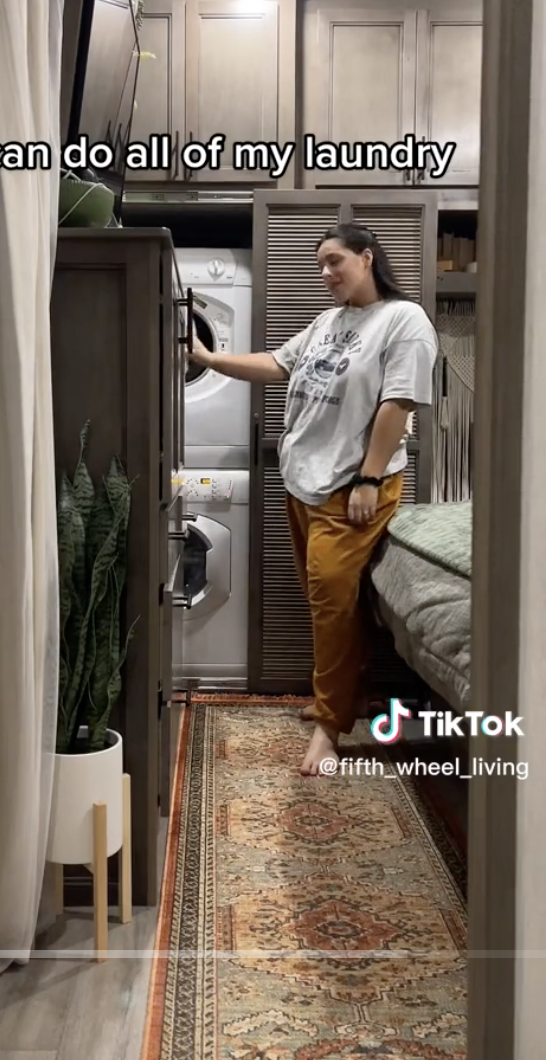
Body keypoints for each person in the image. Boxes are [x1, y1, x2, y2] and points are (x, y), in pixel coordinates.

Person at [189, 223, 438, 777]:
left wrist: (370, 480)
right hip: (304, 482)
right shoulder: (328, 321)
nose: (324, 274)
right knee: (330, 601)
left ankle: (329, 726)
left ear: (367, 258)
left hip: (351, 484)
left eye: (334, 262)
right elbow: (278, 365)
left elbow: (398, 405)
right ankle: (354, 695)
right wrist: (209, 360)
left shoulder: (404, 320)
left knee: (329, 602)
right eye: (319, 264)